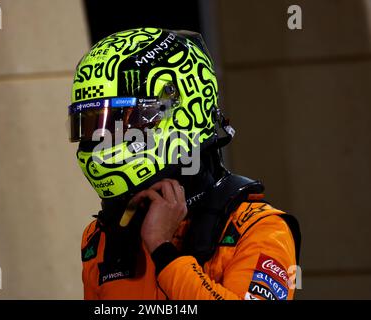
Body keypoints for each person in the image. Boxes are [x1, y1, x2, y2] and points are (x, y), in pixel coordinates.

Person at [68, 27, 301, 300]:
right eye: (92, 125)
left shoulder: (259, 229)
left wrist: (162, 249)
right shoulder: (101, 238)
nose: (101, 140)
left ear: (181, 111)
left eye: (120, 122)